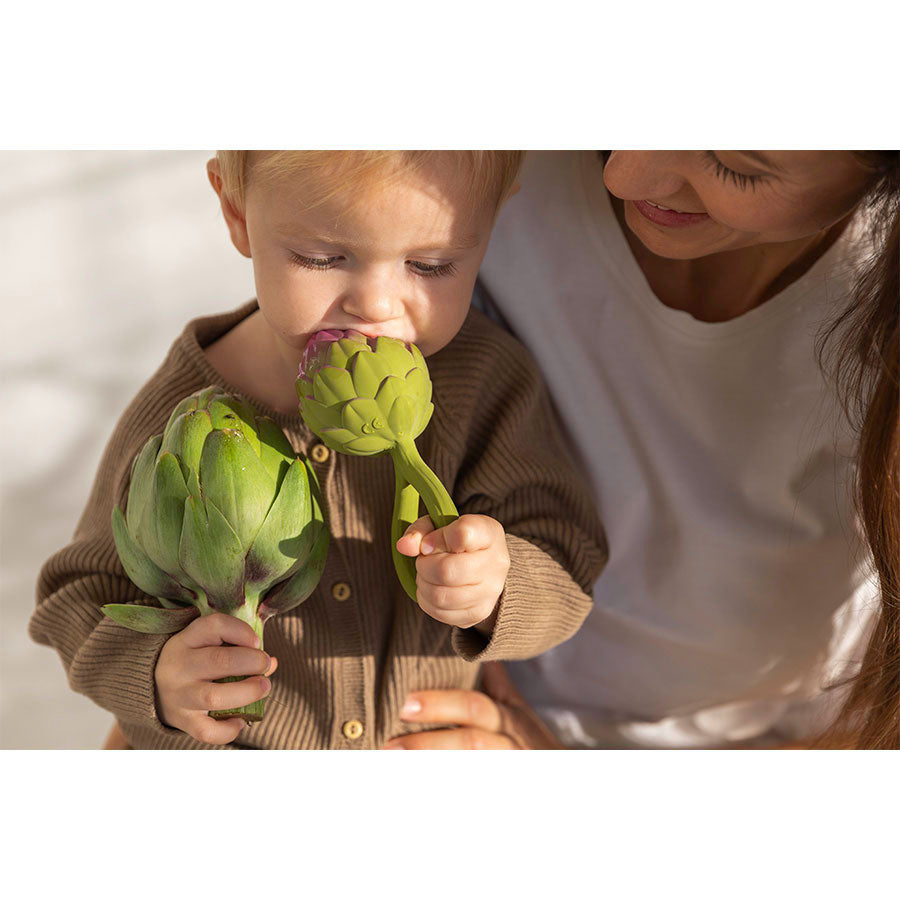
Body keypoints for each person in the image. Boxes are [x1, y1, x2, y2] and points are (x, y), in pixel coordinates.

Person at [30, 151, 607, 749]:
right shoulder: (180, 417)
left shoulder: (483, 381)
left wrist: (498, 585)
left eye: (432, 265)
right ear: (235, 211)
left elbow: (569, 559)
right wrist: (155, 675)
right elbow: (76, 598)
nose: (378, 306)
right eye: (322, 258)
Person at [383, 150, 899, 751]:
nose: (622, 176)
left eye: (735, 165)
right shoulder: (489, 162)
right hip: (474, 703)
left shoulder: (871, 293)